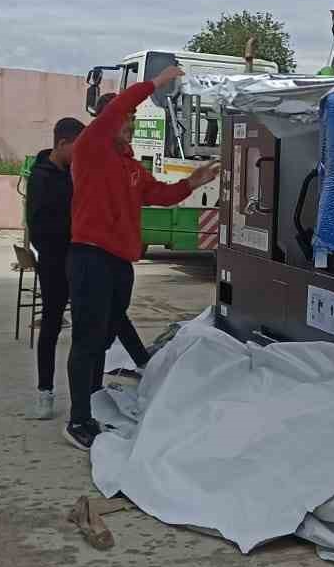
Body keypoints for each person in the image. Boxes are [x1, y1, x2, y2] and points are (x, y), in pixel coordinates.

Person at [63, 68, 221, 450]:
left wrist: (192, 183)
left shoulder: (131, 166)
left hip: (119, 262)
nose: (130, 125)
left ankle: (95, 399)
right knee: (86, 339)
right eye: (126, 121)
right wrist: (156, 83)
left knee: (102, 335)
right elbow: (119, 105)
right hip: (91, 258)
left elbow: (159, 195)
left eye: (133, 121)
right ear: (108, 123)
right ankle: (78, 419)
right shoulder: (92, 147)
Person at [25, 117, 85, 420]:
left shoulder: (73, 173)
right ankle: (44, 390)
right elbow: (36, 227)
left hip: (79, 259)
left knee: (88, 326)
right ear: (62, 144)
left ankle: (86, 394)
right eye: (78, 148)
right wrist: (63, 238)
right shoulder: (40, 178)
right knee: (51, 325)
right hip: (53, 261)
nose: (81, 155)